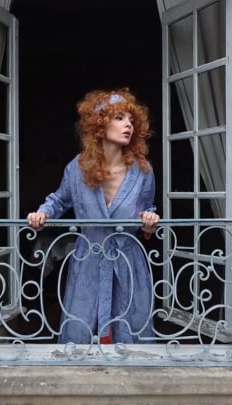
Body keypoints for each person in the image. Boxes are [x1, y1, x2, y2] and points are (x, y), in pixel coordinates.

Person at [27, 88, 160, 345]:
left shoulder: (143, 171)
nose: (128, 125)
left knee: (131, 334)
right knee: (80, 333)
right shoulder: (77, 169)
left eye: (131, 120)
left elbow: (148, 211)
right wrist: (42, 213)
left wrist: (149, 223)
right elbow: (59, 200)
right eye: (119, 118)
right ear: (100, 124)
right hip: (88, 260)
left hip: (127, 263)